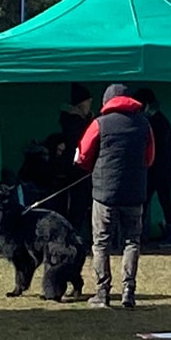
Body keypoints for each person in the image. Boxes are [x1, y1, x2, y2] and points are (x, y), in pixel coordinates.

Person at [74, 84, 155, 308]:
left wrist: (93, 167)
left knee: (101, 243)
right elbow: (150, 158)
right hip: (135, 193)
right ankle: (129, 291)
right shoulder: (144, 124)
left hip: (105, 193)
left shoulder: (99, 123)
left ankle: (102, 293)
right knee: (132, 241)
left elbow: (83, 155)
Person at [132, 88, 171, 248]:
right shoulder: (158, 119)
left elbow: (157, 148)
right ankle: (148, 235)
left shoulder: (156, 122)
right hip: (160, 169)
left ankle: (167, 236)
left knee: (156, 201)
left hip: (158, 170)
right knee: (159, 201)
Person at [58, 83, 94, 237]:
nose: (90, 105)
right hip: (75, 169)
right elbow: (78, 141)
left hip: (84, 168)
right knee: (77, 205)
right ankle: (73, 237)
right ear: (81, 103)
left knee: (84, 204)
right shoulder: (72, 121)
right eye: (87, 102)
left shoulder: (86, 119)